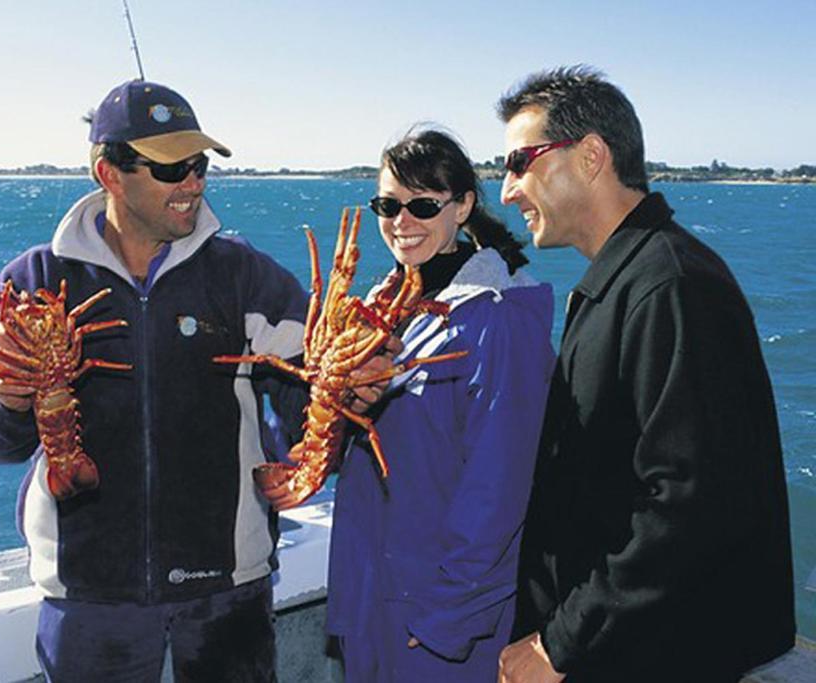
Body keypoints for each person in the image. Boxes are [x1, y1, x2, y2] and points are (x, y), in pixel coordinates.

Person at [0, 79, 311, 682]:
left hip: (227, 593)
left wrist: (351, 394)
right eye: (171, 169)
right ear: (108, 173)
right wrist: (6, 397)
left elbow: (310, 392)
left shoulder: (246, 276)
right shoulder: (35, 278)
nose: (193, 183)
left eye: (198, 165)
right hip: (90, 600)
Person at [495, 66, 795, 683]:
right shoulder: (631, 278)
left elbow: (686, 504)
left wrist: (561, 643)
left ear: (591, 156)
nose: (507, 190)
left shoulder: (670, 287)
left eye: (520, 161)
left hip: (656, 656)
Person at [325, 127, 556, 682]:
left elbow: (500, 491)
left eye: (423, 205)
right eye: (388, 205)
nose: (401, 221)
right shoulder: (379, 311)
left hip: (439, 624)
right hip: (371, 602)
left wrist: (443, 620)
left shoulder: (497, 319)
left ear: (464, 207)